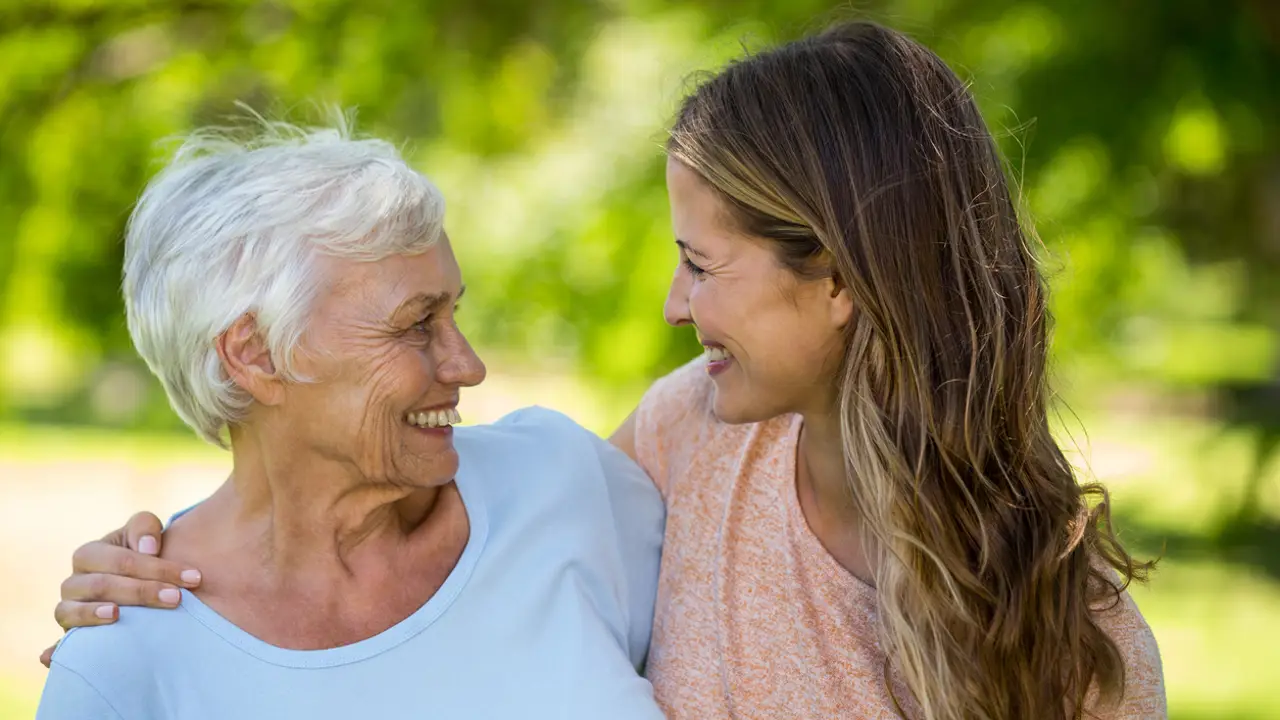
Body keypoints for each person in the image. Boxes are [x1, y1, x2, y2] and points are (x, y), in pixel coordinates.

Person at [45, 20, 1166, 720]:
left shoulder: (1064, 626)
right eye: (415, 323)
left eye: (699, 263)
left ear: (840, 283)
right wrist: (138, 598)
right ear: (253, 352)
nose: (674, 306)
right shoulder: (690, 440)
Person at [35, 117, 666, 719]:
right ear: (257, 356)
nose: (467, 366)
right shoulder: (126, 653)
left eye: (453, 315)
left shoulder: (560, 482)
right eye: (417, 324)